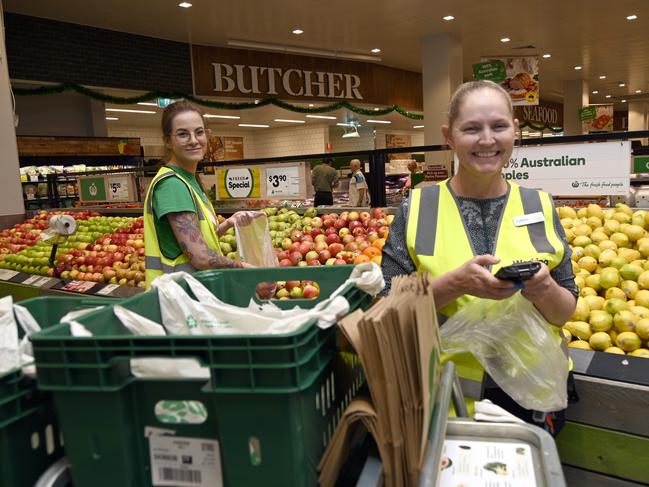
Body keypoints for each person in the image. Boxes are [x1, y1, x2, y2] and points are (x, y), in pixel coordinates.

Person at [380, 80, 578, 436]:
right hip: (446, 395)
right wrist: (455, 284)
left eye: (499, 126)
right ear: (449, 136)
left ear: (515, 131)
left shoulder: (540, 205)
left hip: (532, 395)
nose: (487, 140)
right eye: (471, 128)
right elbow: (387, 309)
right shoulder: (417, 209)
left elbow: (565, 309)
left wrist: (545, 287)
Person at [143, 100, 261, 288]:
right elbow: (199, 257)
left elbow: (194, 239)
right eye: (183, 134)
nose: (193, 140)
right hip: (178, 297)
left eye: (199, 132)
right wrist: (243, 267)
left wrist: (228, 224)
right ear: (167, 141)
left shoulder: (189, 180)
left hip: (190, 293)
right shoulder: (172, 185)